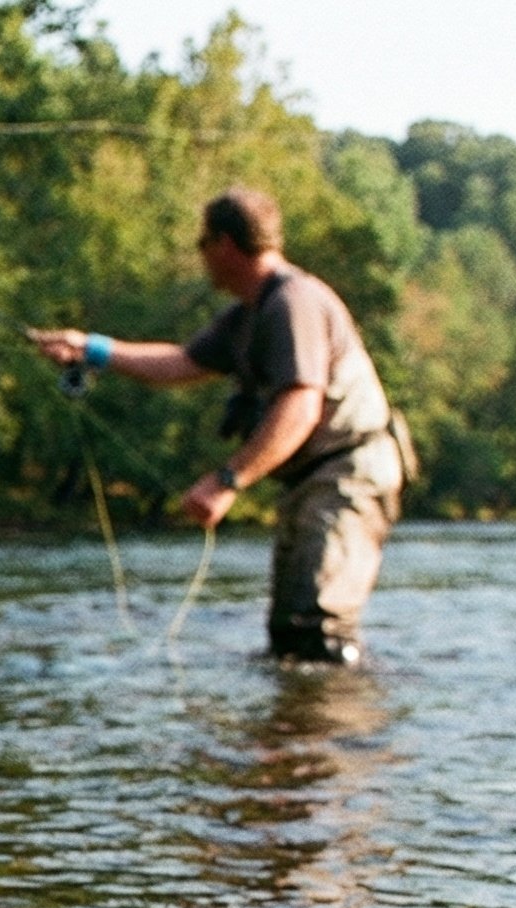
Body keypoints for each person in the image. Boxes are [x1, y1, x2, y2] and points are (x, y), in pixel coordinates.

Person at [32, 187, 411, 665]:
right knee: (290, 637)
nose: (201, 255)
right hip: (318, 477)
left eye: (203, 243)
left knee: (319, 631)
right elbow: (181, 363)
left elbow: (301, 406)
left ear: (225, 244)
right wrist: (90, 349)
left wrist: (227, 481)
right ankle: (302, 716)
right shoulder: (249, 313)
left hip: (349, 471)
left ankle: (342, 716)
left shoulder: (293, 303)